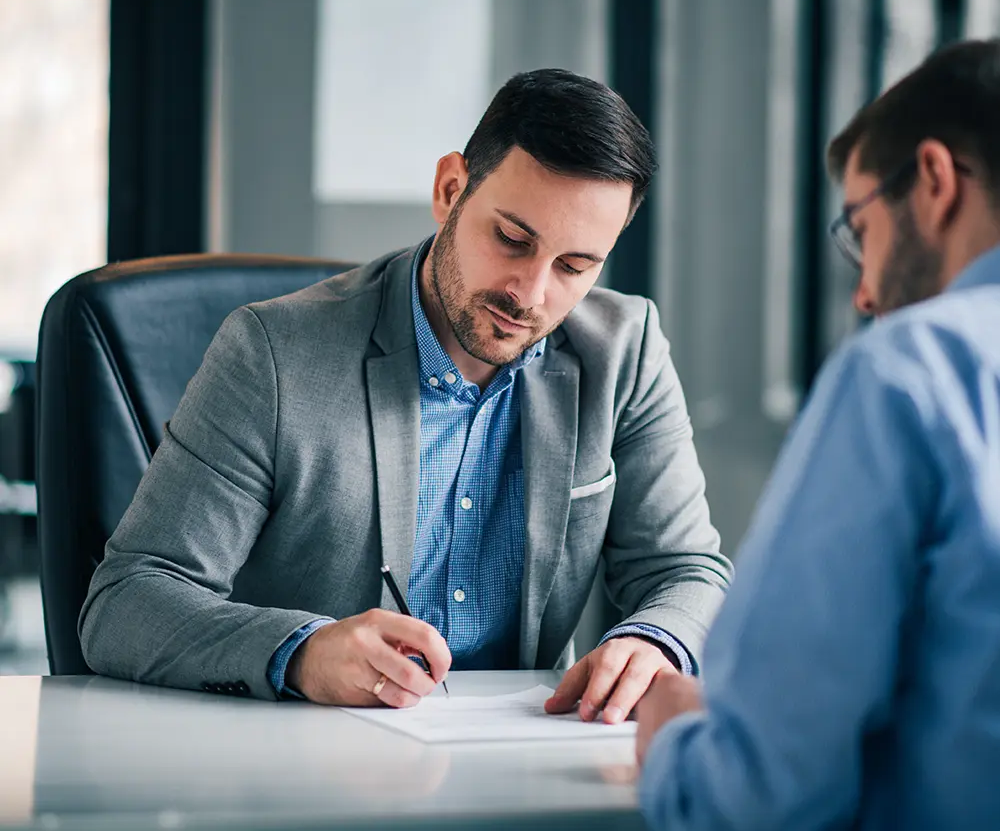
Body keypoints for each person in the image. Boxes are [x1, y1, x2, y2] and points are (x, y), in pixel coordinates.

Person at [80, 68, 732, 717]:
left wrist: (656, 641)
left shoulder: (625, 350)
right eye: (511, 239)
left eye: (574, 266)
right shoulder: (272, 353)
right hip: (311, 764)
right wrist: (301, 653)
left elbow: (687, 571)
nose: (530, 294)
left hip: (526, 761)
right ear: (451, 189)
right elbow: (128, 601)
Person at [635, 38, 1000, 829]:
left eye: (860, 229)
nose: (864, 292)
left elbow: (761, 795)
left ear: (934, 182)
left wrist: (675, 741)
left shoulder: (910, 373)